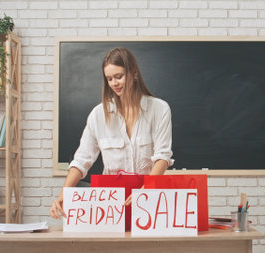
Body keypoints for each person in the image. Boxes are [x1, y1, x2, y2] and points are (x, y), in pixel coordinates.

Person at [50, 47, 174, 219]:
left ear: (134, 74)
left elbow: (162, 156)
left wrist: (146, 191)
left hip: (149, 199)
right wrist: (64, 193)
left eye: (119, 76)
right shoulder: (98, 115)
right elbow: (81, 160)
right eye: (109, 79)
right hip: (111, 205)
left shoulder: (159, 109)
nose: (114, 83)